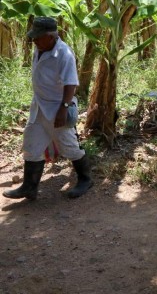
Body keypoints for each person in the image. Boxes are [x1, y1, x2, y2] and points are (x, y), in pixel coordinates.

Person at [3, 17, 93, 200]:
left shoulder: (64, 54)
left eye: (38, 37)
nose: (33, 40)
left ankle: (85, 179)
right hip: (39, 107)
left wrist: (64, 108)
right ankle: (29, 186)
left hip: (57, 108)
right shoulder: (41, 48)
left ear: (51, 36)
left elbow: (71, 84)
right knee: (31, 144)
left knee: (69, 146)